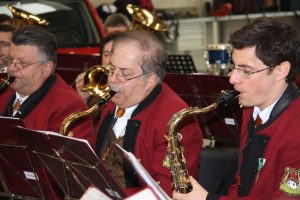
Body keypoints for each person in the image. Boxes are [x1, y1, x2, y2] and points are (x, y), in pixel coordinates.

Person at [173, 17, 300, 200]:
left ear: (281, 70)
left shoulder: (296, 130)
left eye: (246, 71)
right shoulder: (251, 108)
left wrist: (207, 199)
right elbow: (241, 187)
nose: (232, 79)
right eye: (234, 67)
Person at [93, 29, 203, 196]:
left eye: (124, 73)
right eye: (111, 69)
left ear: (150, 80)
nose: (113, 80)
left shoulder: (178, 121)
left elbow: (167, 191)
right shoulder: (110, 104)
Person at [0, 25, 95, 147]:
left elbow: (71, 163)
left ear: (46, 68)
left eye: (22, 63)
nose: (12, 68)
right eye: (10, 60)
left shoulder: (70, 107)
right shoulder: (4, 92)